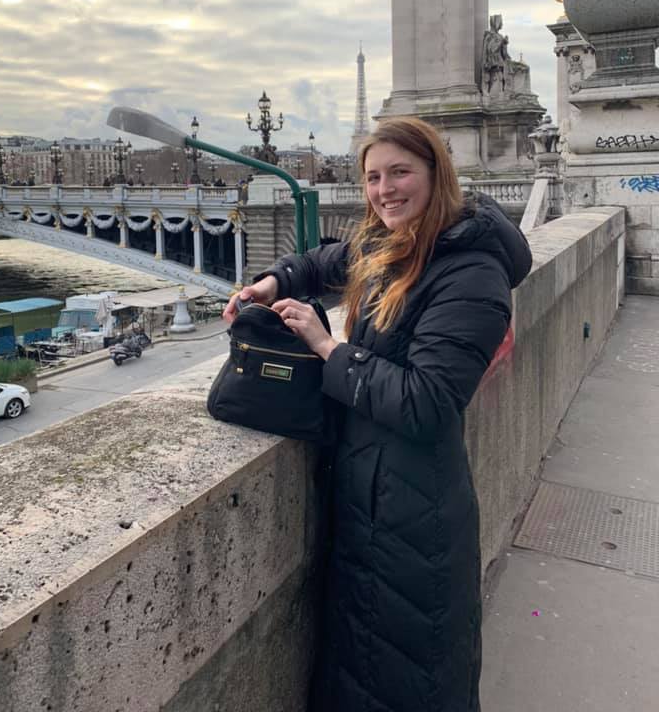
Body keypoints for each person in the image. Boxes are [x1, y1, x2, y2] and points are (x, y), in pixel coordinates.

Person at [224, 116, 532, 712]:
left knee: (407, 680)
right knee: (365, 673)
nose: (384, 189)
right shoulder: (394, 241)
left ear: (436, 174)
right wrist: (271, 281)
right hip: (374, 502)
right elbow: (325, 261)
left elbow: (426, 403)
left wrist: (326, 345)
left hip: (415, 517)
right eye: (372, 177)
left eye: (399, 173)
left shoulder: (471, 271)